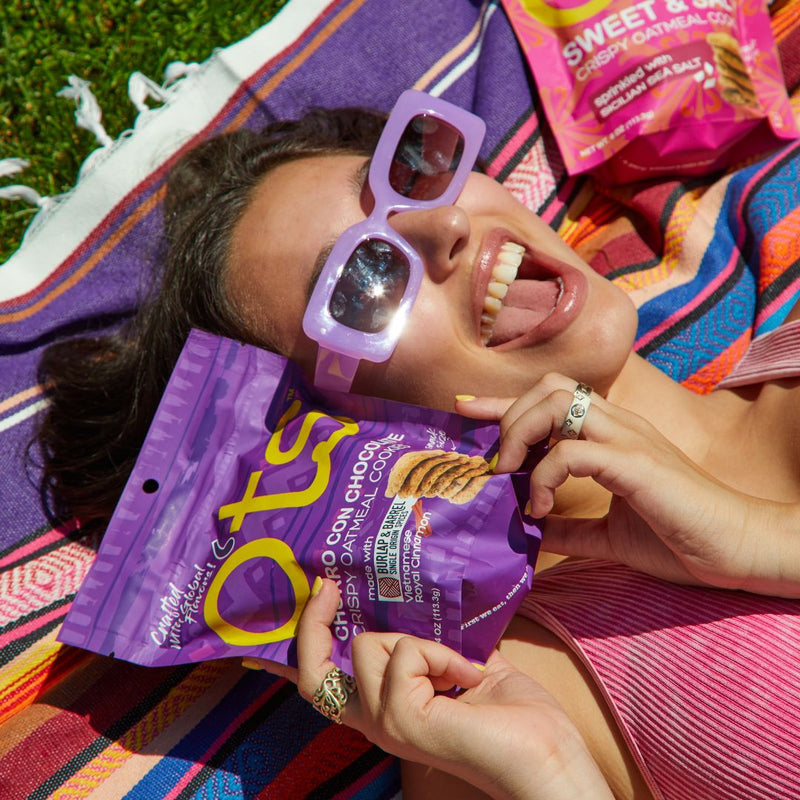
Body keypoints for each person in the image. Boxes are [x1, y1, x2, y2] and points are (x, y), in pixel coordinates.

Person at [37, 93, 800, 800]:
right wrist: (555, 778)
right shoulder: (496, 705)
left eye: (412, 171)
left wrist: (760, 542)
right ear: (336, 442)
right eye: (362, 283)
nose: (446, 226)